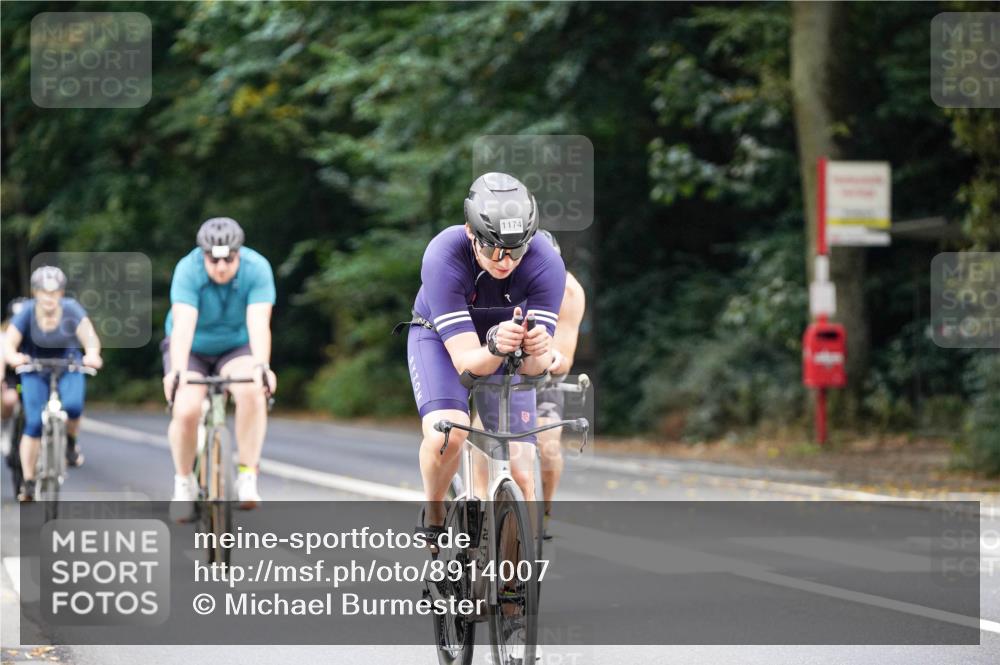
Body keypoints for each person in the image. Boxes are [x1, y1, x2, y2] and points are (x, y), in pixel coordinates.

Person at [404, 172, 565, 540]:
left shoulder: (546, 263)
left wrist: (539, 350)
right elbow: (465, 364)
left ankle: (511, 585)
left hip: (506, 343)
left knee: (524, 474)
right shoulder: (443, 254)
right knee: (449, 435)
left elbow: (536, 370)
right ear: (470, 232)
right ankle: (434, 511)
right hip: (442, 342)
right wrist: (493, 346)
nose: (505, 261)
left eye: (516, 250)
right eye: (493, 249)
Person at [163, 217, 277, 520]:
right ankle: (184, 482)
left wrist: (262, 366)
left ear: (240, 252)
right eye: (214, 259)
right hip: (192, 349)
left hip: (234, 347)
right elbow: (183, 326)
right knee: (186, 409)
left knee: (252, 389)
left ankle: (247, 475)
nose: (222, 266)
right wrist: (177, 371)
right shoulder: (188, 269)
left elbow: (258, 322)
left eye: (229, 258)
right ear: (203, 255)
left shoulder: (257, 268)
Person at [3, 268, 103, 502]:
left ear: (61, 293)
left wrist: (92, 355)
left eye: (54, 292)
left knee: (74, 407)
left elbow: (90, 338)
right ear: (35, 293)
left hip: (68, 366)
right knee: (35, 422)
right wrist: (14, 357)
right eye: (44, 292)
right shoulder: (26, 312)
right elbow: (10, 343)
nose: (49, 298)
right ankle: (28, 483)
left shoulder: (71, 309)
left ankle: (70, 443)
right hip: (34, 368)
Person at [533, 230, 586, 539]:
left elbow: (565, 356)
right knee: (481, 439)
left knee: (548, 444)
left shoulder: (569, 291)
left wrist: (552, 359)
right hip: (497, 367)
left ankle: (544, 514)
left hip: (542, 377)